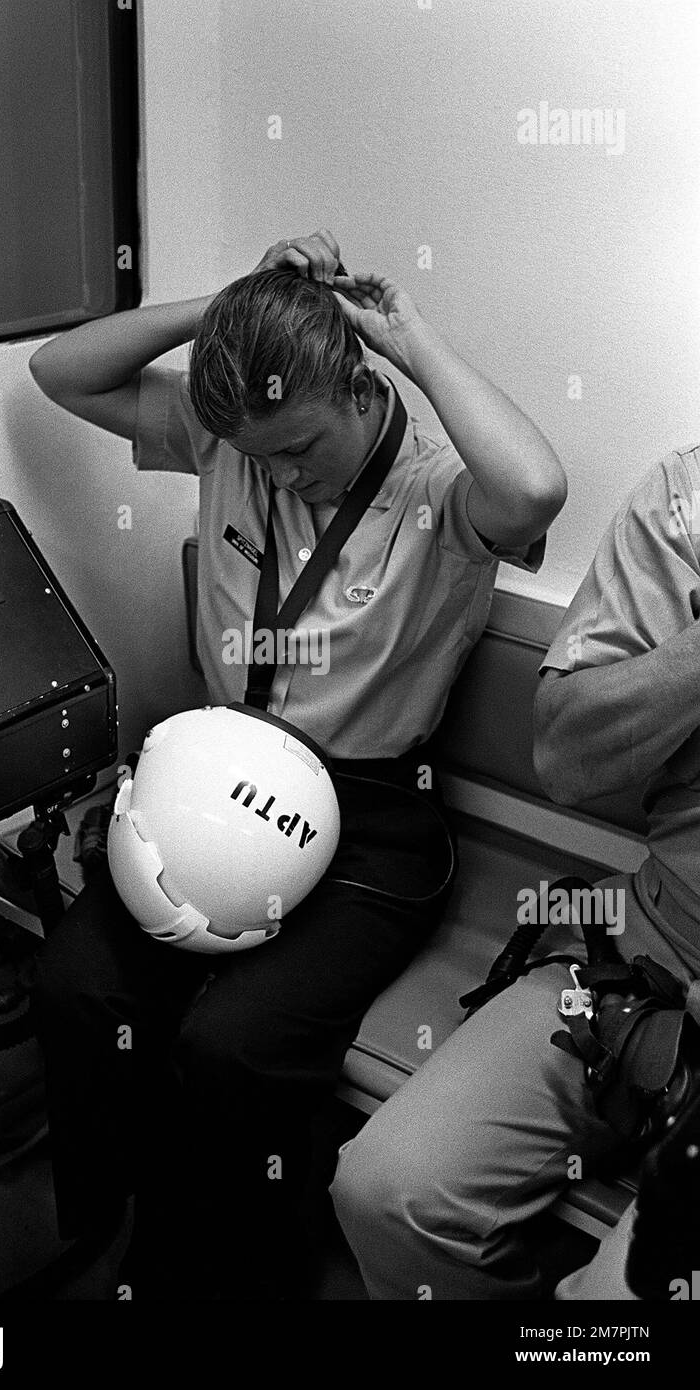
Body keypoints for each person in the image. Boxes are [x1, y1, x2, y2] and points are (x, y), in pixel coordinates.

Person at [26, 229, 566, 1298]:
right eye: (261, 457)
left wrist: (408, 335)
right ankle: (110, 1226)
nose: (280, 475)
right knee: (80, 985)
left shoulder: (439, 490)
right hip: (211, 782)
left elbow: (537, 488)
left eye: (301, 449)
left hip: (368, 818)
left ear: (359, 387)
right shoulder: (233, 435)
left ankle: (214, 1274)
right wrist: (222, 304)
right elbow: (58, 372)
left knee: (232, 1044)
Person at [331, 444, 700, 1299]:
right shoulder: (687, 499)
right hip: (653, 943)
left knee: (622, 1297)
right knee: (391, 1193)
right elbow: (567, 759)